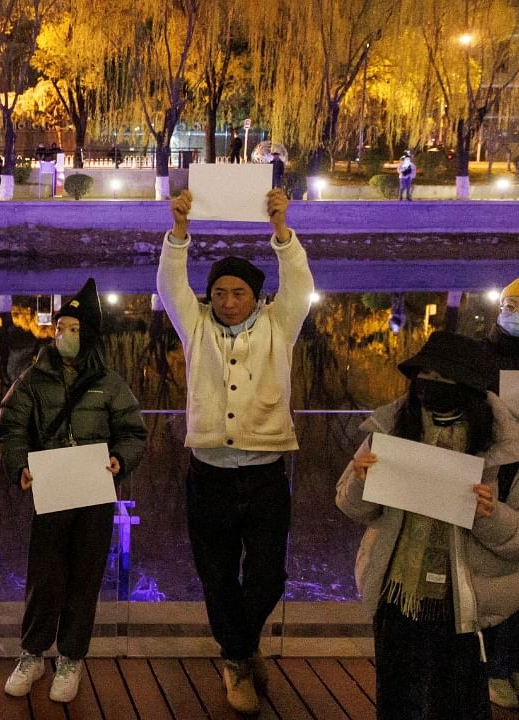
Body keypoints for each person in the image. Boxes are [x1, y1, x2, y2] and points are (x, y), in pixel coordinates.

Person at [156, 187, 314, 714]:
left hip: (267, 474)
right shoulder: (195, 328)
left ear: (256, 297)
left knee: (269, 574)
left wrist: (282, 231)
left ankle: (242, 647)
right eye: (219, 292)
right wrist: (179, 233)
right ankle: (237, 661)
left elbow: (300, 283)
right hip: (209, 475)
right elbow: (169, 284)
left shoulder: (279, 326)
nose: (227, 300)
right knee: (217, 574)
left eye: (238, 292)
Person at [335, 331, 519, 720]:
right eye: (425, 376)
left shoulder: (507, 450)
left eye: (445, 379)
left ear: (472, 389)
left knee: (458, 703)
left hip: (466, 601)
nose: (431, 387)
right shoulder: (392, 427)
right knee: (397, 699)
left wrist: (490, 516)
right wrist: (360, 481)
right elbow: (352, 507)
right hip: (396, 591)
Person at [0, 279, 148, 703]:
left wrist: (120, 459)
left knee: (85, 576)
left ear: (90, 336)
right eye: (60, 327)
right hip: (51, 490)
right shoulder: (34, 378)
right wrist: (19, 465)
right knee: (44, 576)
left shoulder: (110, 383)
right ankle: (32, 653)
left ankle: (72, 657)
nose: (64, 334)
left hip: (94, 493)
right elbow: (8, 426)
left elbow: (134, 431)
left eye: (74, 328)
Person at [485, 277, 519, 708]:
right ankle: (496, 666)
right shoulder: (480, 354)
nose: (513, 312)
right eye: (510, 303)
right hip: (495, 473)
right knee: (496, 571)